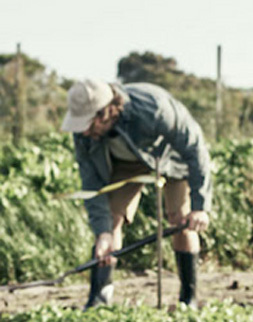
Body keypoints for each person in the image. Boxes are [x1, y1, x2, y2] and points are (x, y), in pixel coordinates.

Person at [61, 79, 212, 309]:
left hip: (169, 157)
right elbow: (92, 183)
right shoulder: (85, 133)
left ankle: (188, 298)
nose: (83, 131)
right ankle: (99, 298)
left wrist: (200, 206)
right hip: (126, 162)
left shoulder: (154, 108)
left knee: (180, 219)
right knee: (110, 223)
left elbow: (195, 149)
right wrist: (102, 233)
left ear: (105, 112)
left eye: (88, 124)